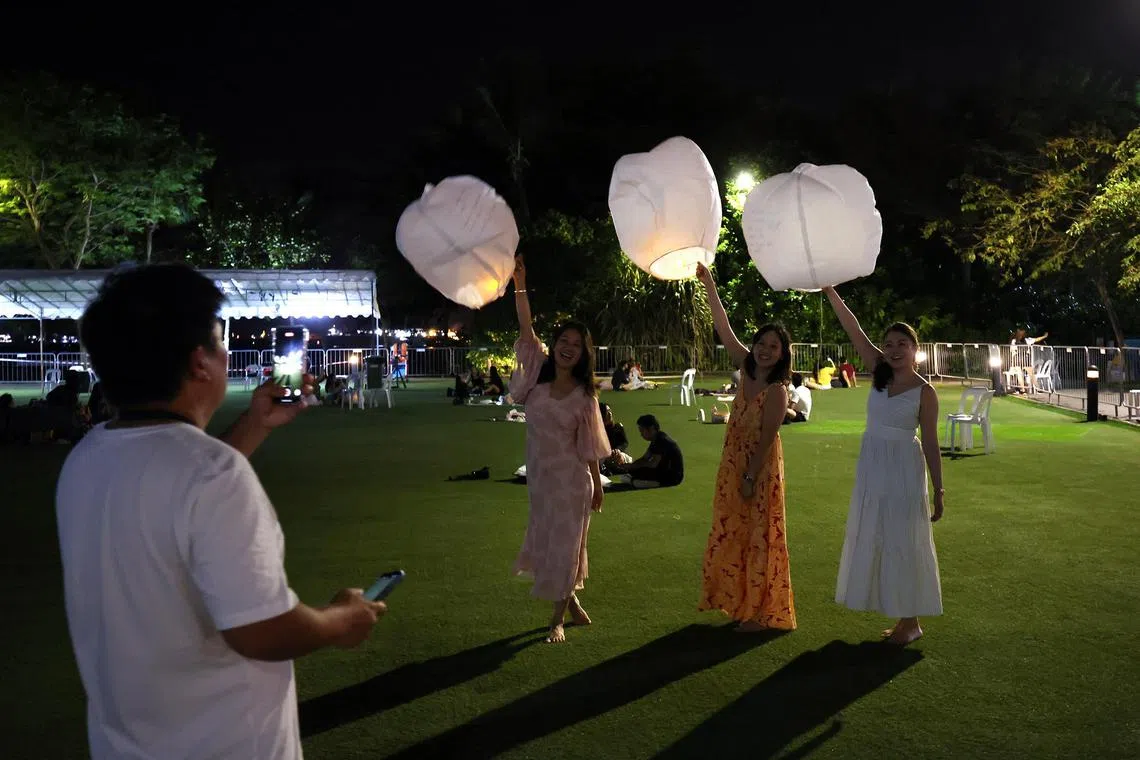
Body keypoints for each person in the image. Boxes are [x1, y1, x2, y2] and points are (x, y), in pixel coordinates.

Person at [55, 265, 386, 759]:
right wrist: (343, 618)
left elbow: (172, 490)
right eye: (219, 342)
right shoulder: (213, 474)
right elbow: (259, 630)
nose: (226, 354)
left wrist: (255, 425)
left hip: (124, 743)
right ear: (199, 364)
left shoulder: (87, 458)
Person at [824, 286, 944, 646]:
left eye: (901, 344)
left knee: (904, 539)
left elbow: (933, 444)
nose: (893, 350)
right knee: (878, 535)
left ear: (915, 350)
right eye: (889, 344)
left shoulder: (925, 391)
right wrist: (831, 292)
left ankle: (911, 621)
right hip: (873, 467)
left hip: (904, 470)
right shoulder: (878, 370)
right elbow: (853, 329)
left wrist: (939, 490)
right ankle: (903, 617)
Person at [509, 257, 610, 644]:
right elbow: (524, 326)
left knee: (568, 546)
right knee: (550, 542)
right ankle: (572, 604)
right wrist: (521, 282)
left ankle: (557, 619)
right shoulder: (536, 374)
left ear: (584, 353)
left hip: (572, 484)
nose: (569, 349)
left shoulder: (586, 396)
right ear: (553, 346)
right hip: (541, 480)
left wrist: (598, 486)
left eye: (576, 345)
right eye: (563, 342)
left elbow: (589, 447)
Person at [694, 262, 796, 632]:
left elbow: (768, 440)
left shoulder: (777, 392)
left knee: (758, 535)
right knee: (731, 531)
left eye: (774, 346)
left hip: (759, 468)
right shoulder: (746, 369)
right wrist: (709, 284)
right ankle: (738, 603)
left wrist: (750, 475)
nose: (765, 350)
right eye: (761, 343)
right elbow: (723, 326)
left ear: (783, 354)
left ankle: (758, 612)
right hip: (732, 463)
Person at [608, 414, 684, 488]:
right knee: (631, 474)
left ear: (651, 428)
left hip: (672, 477)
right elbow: (644, 458)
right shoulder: (656, 439)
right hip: (662, 471)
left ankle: (645, 482)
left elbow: (653, 463)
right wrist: (630, 466)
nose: (641, 434)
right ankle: (636, 480)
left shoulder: (662, 440)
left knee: (635, 480)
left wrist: (632, 467)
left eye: (642, 431)